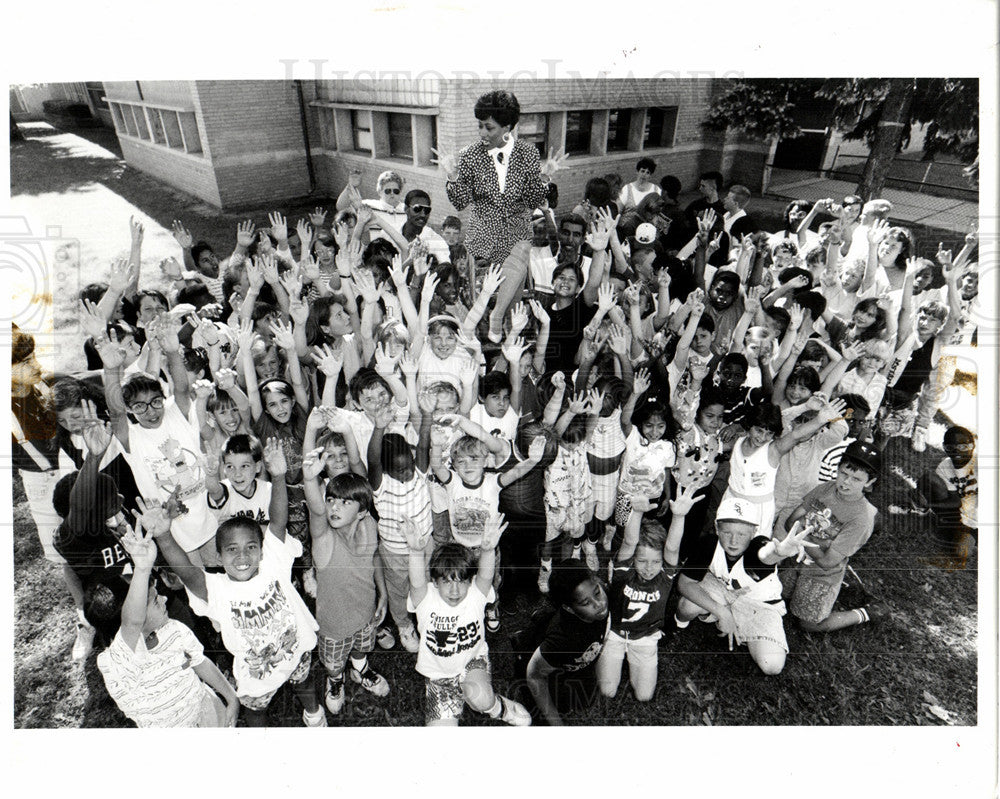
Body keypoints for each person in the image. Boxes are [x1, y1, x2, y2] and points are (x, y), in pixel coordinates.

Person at [148, 439, 326, 727]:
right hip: (256, 674)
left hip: (295, 652)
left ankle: (315, 714)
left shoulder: (273, 564)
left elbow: (278, 522)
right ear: (218, 555)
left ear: (262, 548)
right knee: (255, 711)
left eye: (251, 547)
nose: (242, 555)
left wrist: (278, 476)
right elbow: (188, 572)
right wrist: (164, 536)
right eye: (232, 549)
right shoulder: (217, 590)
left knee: (304, 683)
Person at [435, 89, 567, 341]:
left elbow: (531, 200)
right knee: (520, 254)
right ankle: (500, 319)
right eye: (480, 126)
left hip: (517, 229)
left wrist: (545, 176)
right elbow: (461, 203)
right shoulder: (469, 155)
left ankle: (503, 322)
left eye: (489, 127)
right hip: (484, 233)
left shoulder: (527, 154)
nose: (482, 133)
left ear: (507, 127)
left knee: (520, 252)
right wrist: (452, 175)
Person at [96, 520, 239, 727]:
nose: (164, 600)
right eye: (155, 600)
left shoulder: (173, 630)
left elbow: (200, 662)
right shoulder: (117, 663)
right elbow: (132, 623)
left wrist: (231, 696)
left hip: (207, 710)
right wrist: (142, 569)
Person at [403, 515, 531, 726]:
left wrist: (488, 550)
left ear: (470, 581)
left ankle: (499, 708)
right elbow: (416, 582)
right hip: (439, 676)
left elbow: (486, 576)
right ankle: (458, 699)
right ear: (434, 582)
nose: (455, 590)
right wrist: (416, 551)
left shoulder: (475, 594)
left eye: (462, 581)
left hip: (472, 662)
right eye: (447, 582)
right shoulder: (425, 599)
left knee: (480, 698)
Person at [673, 496, 814, 675]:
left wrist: (779, 552)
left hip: (759, 605)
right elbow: (685, 583)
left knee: (771, 665)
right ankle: (677, 628)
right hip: (723, 589)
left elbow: (765, 555)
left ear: (754, 532)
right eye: (727, 533)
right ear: (717, 528)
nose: (733, 541)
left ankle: (743, 626)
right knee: (687, 605)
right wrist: (722, 612)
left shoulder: (757, 545)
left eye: (741, 534)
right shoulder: (708, 544)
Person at [302, 464, 391, 716]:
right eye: (331, 500)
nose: (334, 507)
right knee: (333, 663)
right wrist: (310, 479)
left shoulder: (370, 525)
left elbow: (374, 558)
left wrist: (382, 593)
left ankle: (360, 669)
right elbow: (316, 513)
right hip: (334, 626)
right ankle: (336, 680)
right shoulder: (324, 540)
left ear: (362, 511)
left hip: (365, 614)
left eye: (344, 502)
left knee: (362, 647)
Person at [780, 440, 885, 631]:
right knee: (778, 597)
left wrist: (804, 532)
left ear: (869, 482)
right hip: (795, 559)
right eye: (844, 473)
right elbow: (789, 522)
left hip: (822, 574)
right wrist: (821, 542)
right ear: (837, 468)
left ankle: (864, 613)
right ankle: (841, 589)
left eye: (856, 479)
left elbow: (827, 562)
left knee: (808, 624)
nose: (846, 482)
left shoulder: (862, 517)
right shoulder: (826, 488)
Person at [525, 561, 609, 725]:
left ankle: (541, 618)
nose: (599, 604)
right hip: (559, 672)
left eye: (597, 592)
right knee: (567, 703)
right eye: (586, 603)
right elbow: (533, 675)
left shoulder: (605, 594)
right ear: (569, 608)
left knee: (587, 698)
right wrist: (557, 724)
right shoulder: (561, 639)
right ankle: (528, 634)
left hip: (581, 663)